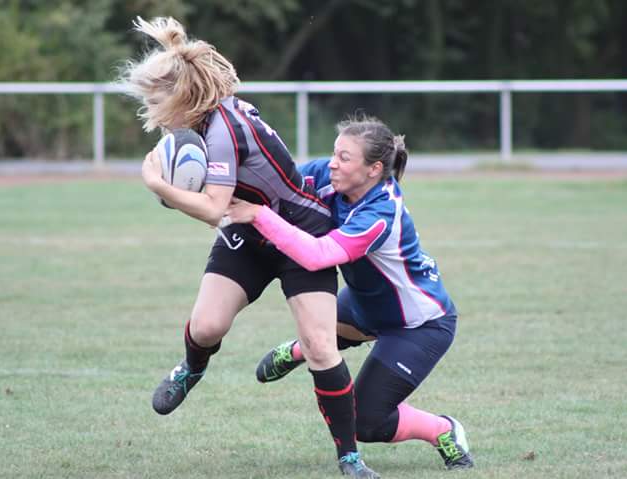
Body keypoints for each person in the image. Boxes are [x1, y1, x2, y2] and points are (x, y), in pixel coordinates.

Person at [120, 17, 378, 478]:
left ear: (181, 95)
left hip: (300, 230)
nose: (152, 112)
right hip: (248, 230)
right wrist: (177, 188)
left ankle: (350, 456)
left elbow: (211, 208)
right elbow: (217, 204)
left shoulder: (223, 129)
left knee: (320, 346)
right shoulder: (203, 120)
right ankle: (191, 368)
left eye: (155, 101)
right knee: (206, 326)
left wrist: (157, 183)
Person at [224, 115, 474, 470]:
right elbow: (281, 182)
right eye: (334, 153)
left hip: (418, 326)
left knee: (365, 422)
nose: (332, 163)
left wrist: (257, 214)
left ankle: (442, 429)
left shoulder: (380, 212)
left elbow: (318, 256)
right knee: (320, 344)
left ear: (373, 169)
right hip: (362, 307)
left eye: (344, 157)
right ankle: (303, 348)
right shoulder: (331, 179)